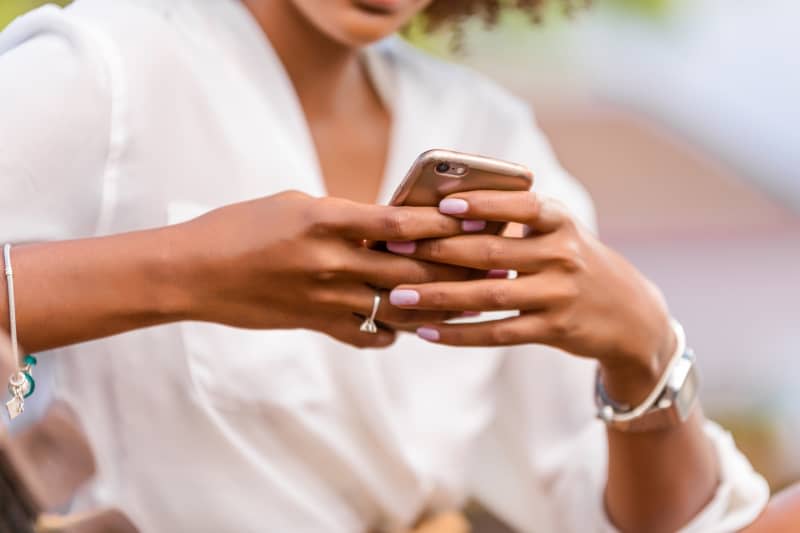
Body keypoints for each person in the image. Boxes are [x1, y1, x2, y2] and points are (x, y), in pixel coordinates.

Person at [0, 0, 768, 531]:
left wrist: (642, 346)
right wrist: (184, 274)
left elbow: (634, 512)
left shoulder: (490, 134)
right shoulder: (112, 66)